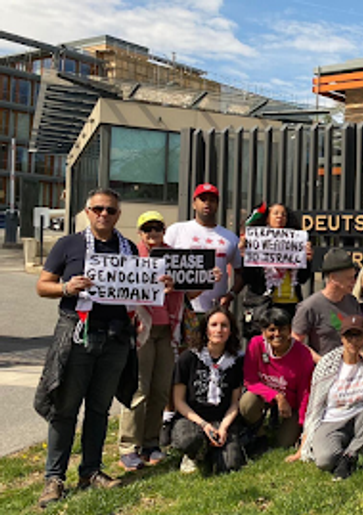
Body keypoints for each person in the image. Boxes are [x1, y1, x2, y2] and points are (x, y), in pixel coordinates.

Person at [35, 188, 141, 508]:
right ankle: (54, 478)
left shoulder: (130, 248)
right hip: (77, 334)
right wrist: (66, 287)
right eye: (98, 209)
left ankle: (91, 471)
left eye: (110, 210)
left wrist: (155, 287)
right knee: (65, 409)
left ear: (118, 215)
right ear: (87, 211)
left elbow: (138, 290)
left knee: (99, 409)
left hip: (115, 339)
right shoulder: (69, 245)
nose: (103, 215)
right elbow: (42, 285)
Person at [288, 315, 363, 480]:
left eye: (358, 335)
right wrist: (302, 448)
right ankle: (353, 448)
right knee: (325, 461)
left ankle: (350, 455)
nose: (353, 340)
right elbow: (315, 408)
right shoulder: (328, 363)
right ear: (341, 338)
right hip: (332, 421)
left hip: (362, 419)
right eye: (349, 335)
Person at [118, 211, 184, 471]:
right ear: (140, 233)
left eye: (157, 227)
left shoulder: (176, 257)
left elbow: (191, 288)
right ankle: (127, 447)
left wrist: (207, 277)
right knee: (139, 391)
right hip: (141, 331)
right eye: (147, 229)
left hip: (167, 331)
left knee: (159, 390)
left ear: (164, 230)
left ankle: (151, 443)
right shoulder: (133, 257)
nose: (153, 233)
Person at [172, 306, 246, 475]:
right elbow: (179, 401)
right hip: (193, 419)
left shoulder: (236, 361)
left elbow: (235, 403)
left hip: (222, 418)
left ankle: (215, 449)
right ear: (205, 329)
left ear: (231, 331)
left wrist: (224, 428)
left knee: (230, 465)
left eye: (224, 325)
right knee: (188, 440)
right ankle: (195, 453)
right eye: (214, 325)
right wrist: (204, 425)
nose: (219, 330)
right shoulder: (188, 358)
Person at [240, 307, 315, 449]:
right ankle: (259, 433)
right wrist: (277, 397)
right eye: (272, 330)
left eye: (283, 329)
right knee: (247, 403)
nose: (277, 334)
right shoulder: (256, 344)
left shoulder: (303, 354)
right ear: (263, 332)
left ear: (290, 330)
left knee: (283, 444)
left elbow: (305, 392)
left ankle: (283, 429)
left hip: (292, 403)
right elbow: (250, 381)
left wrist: (303, 424)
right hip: (265, 395)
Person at [164, 183, 243, 316]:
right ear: (194, 204)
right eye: (203, 199)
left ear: (217, 205)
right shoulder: (177, 230)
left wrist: (230, 295)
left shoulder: (230, 238)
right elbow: (161, 264)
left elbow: (241, 272)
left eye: (212, 200)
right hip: (182, 308)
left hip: (215, 311)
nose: (207, 203)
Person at [239, 203, 313, 339]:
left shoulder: (295, 242)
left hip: (290, 305)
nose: (280, 216)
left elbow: (302, 279)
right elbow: (249, 278)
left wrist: (307, 260)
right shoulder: (257, 241)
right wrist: (245, 256)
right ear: (267, 218)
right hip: (265, 305)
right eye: (276, 213)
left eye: (283, 214)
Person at [292, 248, 361, 360]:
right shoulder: (309, 306)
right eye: (349, 278)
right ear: (333, 278)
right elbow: (296, 341)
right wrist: (320, 361)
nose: (354, 282)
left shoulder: (352, 302)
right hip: (322, 371)